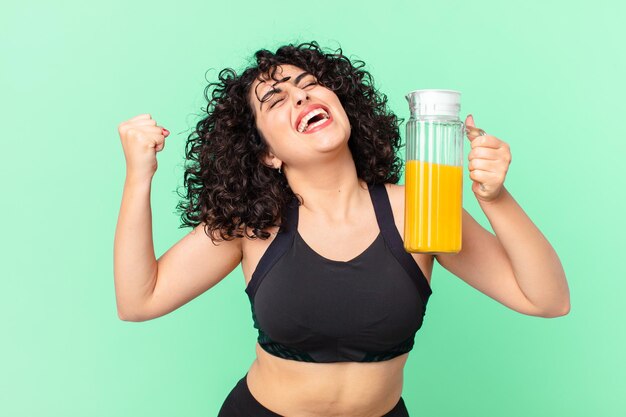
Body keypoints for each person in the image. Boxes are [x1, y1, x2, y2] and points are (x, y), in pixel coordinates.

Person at [114, 41, 570, 416]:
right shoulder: (254, 226)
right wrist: (139, 175)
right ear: (267, 154)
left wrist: (496, 199)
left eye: (309, 85)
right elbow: (139, 299)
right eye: (276, 100)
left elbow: (546, 299)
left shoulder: (419, 208)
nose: (300, 96)